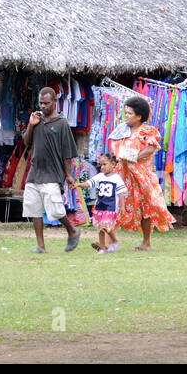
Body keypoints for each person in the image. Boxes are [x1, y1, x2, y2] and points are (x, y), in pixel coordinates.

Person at [107, 94, 176, 250]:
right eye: (125, 113)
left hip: (142, 175)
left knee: (145, 207)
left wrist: (133, 156)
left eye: (129, 113)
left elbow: (151, 148)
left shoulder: (147, 131)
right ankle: (108, 240)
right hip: (123, 174)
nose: (126, 116)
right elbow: (114, 147)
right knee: (116, 203)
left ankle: (146, 243)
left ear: (139, 116)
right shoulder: (122, 130)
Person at [18, 86, 80, 253]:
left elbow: (68, 152)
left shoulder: (62, 123)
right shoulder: (36, 119)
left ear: (54, 102)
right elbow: (26, 142)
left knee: (56, 209)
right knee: (34, 208)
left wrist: (68, 175)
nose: (43, 106)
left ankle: (72, 231)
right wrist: (31, 125)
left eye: (46, 103)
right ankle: (40, 246)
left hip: (53, 173)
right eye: (41, 103)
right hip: (35, 171)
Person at [86, 153, 126, 253]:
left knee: (106, 227)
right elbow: (89, 183)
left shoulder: (116, 178)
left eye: (104, 164)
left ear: (113, 164)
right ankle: (104, 247)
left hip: (111, 207)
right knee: (100, 228)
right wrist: (77, 184)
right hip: (100, 206)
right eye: (100, 165)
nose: (102, 167)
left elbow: (121, 193)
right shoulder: (100, 176)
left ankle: (112, 242)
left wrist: (123, 206)